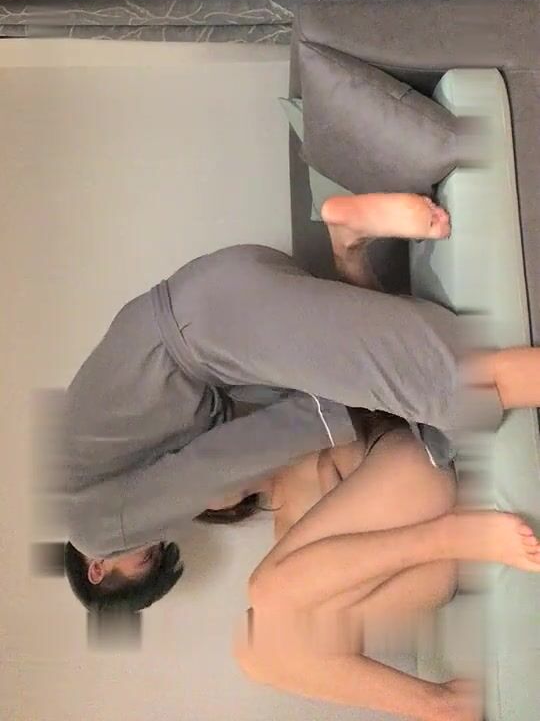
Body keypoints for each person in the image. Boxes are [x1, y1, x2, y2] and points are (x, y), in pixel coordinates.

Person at [61, 192, 540, 612]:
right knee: (396, 376)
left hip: (213, 329)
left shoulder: (95, 530)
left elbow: (207, 467)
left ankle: (349, 237)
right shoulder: (86, 474)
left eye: (142, 555)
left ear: (97, 568)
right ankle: (348, 240)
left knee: (457, 386)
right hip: (213, 304)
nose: (150, 538)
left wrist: (328, 416)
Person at [231, 423, 540, 721]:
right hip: (427, 574)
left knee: (268, 592)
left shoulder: (288, 426)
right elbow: (338, 636)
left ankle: (452, 536)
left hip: (415, 478)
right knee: (253, 648)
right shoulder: (281, 535)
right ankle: (443, 706)